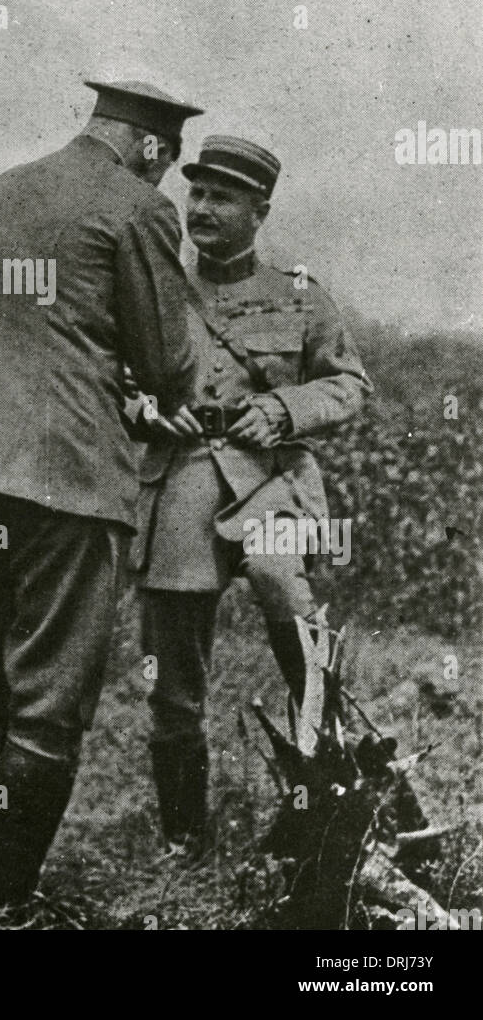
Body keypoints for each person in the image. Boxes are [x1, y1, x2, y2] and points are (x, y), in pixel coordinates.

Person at [0, 78, 201, 909]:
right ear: (152, 147)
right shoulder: (137, 207)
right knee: (47, 703)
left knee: (0, 685)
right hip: (66, 482)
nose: (164, 180)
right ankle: (5, 896)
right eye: (167, 163)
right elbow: (168, 369)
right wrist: (136, 390)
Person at [134, 135, 371, 850]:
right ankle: (184, 839)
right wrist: (143, 408)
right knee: (171, 665)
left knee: (286, 600)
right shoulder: (156, 290)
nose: (200, 208)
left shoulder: (298, 295)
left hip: (270, 481)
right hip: (180, 479)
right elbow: (113, 375)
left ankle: (329, 804)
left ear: (258, 211)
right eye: (195, 193)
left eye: (220, 198)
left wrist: (284, 409)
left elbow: (349, 383)